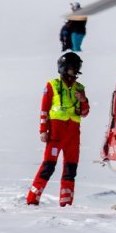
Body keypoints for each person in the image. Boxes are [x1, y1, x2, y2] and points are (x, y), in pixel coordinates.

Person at [26, 52, 90, 206]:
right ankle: (32, 199)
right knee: (48, 166)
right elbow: (44, 109)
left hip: (73, 134)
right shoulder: (52, 85)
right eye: (73, 67)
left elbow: (85, 112)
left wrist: (83, 100)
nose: (75, 70)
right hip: (56, 133)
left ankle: (66, 203)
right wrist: (43, 130)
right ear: (64, 68)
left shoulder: (80, 88)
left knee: (70, 169)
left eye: (77, 67)